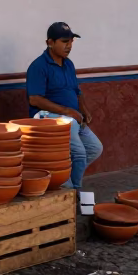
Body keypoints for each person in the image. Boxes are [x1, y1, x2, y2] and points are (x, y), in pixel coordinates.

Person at [25, 22, 102, 189]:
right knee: (78, 149)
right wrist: (67, 111)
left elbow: (76, 90)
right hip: (45, 117)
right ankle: (74, 189)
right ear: (50, 43)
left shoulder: (68, 64)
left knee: (95, 148)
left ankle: (63, 181)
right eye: (64, 41)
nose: (69, 46)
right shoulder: (38, 66)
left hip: (71, 117)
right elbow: (35, 100)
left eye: (71, 41)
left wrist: (84, 109)